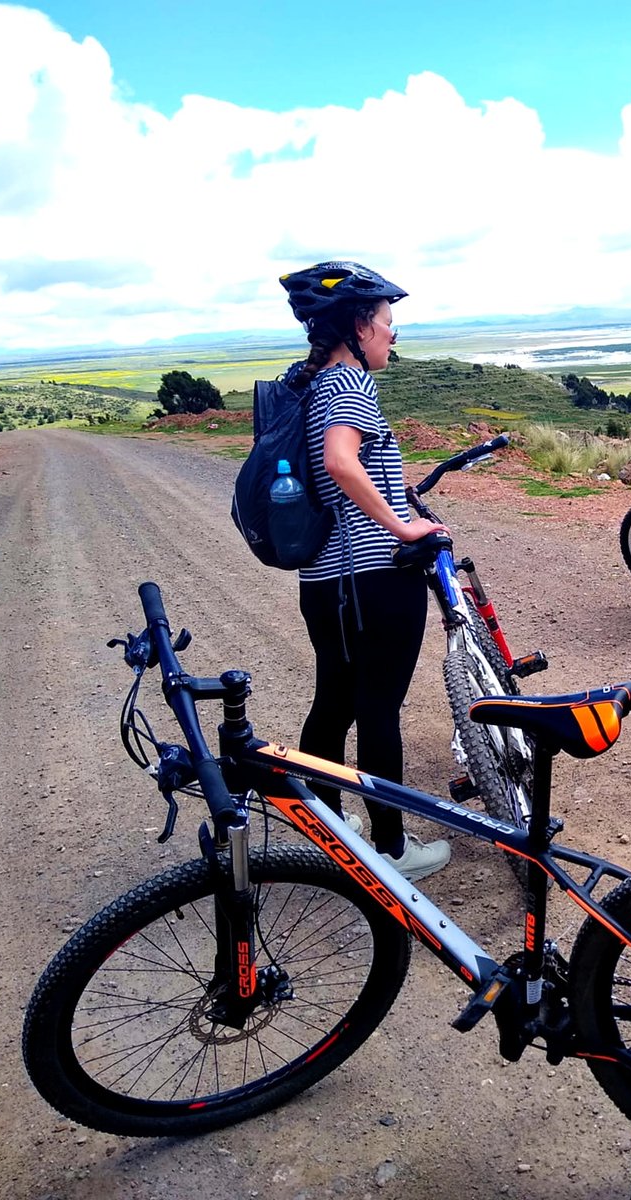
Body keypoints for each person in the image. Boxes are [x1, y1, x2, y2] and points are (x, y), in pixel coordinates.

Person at [277, 261, 452, 879]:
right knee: (379, 708)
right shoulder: (348, 385)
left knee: (335, 702)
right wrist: (403, 526)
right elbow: (342, 463)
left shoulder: (310, 385)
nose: (392, 335)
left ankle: (326, 832)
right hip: (373, 578)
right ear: (357, 325)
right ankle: (391, 850)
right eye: (385, 322)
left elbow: (345, 471)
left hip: (325, 581)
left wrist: (397, 495)